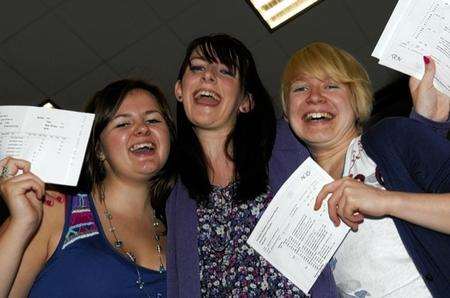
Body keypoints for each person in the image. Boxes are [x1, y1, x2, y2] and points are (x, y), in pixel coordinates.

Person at [166, 33, 338, 297]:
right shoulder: (176, 196)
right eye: (198, 67)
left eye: (225, 71)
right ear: (179, 89)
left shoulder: (286, 145)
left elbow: (351, 148)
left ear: (246, 101)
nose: (208, 76)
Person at [280, 42, 450, 297]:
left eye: (331, 85)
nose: (314, 96)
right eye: (301, 88)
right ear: (286, 112)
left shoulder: (391, 137)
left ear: (356, 97)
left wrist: (387, 201)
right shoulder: (294, 204)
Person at [0, 79, 176, 297]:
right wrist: (21, 224)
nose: (142, 129)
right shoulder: (53, 210)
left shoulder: (180, 230)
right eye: (123, 123)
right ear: (99, 150)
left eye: (153, 120)